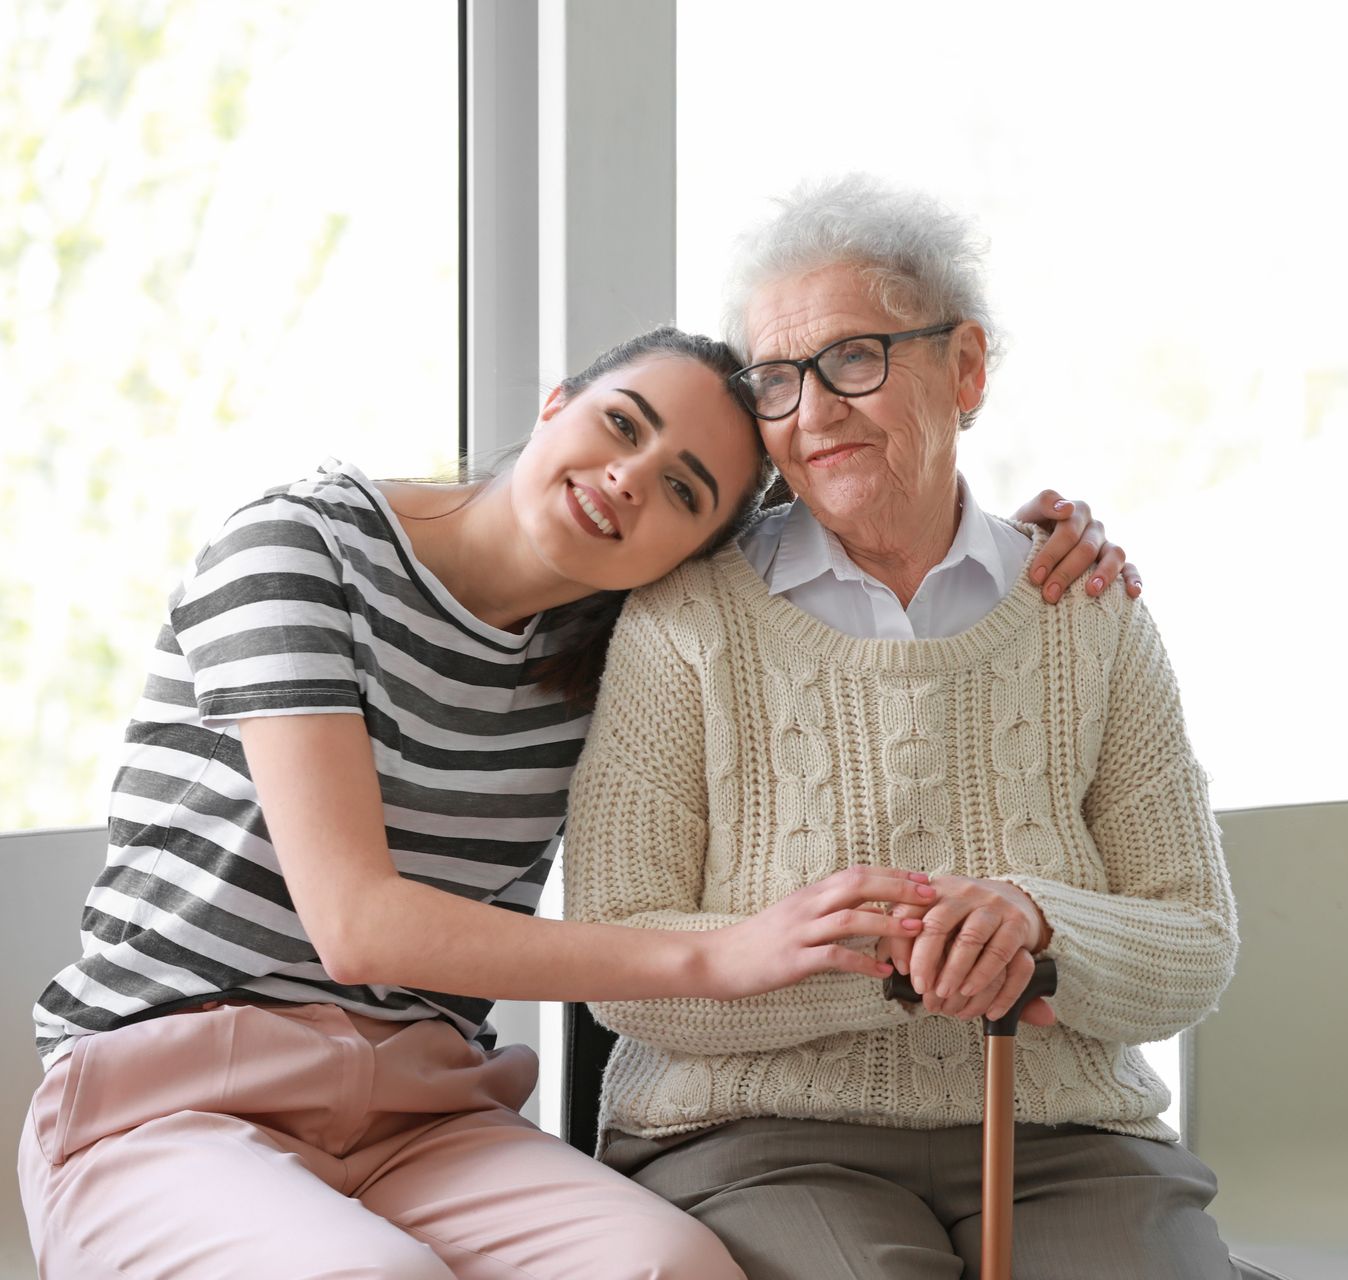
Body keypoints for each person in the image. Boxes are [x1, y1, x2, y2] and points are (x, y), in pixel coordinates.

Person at [18, 324, 1136, 1280]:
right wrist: (722, 954)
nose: (631, 477)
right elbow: (357, 923)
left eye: (685, 490)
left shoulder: (619, 651)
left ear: (692, 553)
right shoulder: (300, 548)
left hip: (424, 1112)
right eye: (622, 422)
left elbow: (840, 568)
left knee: (675, 1267)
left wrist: (1029, 540)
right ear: (556, 403)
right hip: (171, 1096)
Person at [567, 177, 1244, 1279]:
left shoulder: (1086, 607)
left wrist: (1039, 929)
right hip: (752, 1142)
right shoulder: (684, 621)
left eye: (855, 358)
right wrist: (895, 957)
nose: (816, 410)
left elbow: (1194, 943)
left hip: (1063, 1141)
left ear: (965, 366)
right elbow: (615, 958)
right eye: (777, 381)